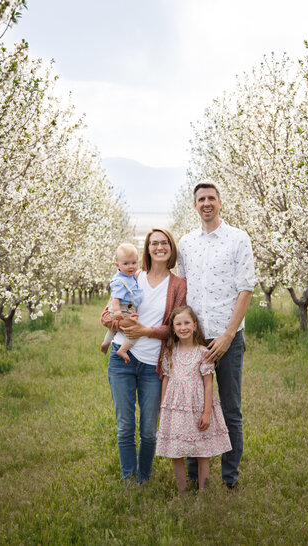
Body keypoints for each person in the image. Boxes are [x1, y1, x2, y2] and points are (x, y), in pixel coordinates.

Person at [178, 182, 255, 489]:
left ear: (220, 203)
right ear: (195, 206)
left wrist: (227, 335)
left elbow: (245, 289)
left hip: (229, 338)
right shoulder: (186, 244)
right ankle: (197, 476)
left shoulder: (238, 239)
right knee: (194, 407)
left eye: (211, 198)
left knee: (231, 409)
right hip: (194, 341)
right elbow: (180, 289)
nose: (207, 203)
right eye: (201, 199)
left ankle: (230, 478)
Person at [101, 228, 186, 484]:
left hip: (153, 366)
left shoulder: (178, 286)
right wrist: (125, 326)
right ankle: (129, 479)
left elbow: (175, 329)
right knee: (126, 426)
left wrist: (145, 330)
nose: (159, 247)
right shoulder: (131, 276)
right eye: (154, 243)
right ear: (147, 249)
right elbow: (105, 316)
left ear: (171, 248)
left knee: (149, 431)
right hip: (121, 359)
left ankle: (144, 479)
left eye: (164, 243)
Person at [156, 306, 231, 493]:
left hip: (197, 408)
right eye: (178, 324)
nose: (183, 327)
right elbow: (166, 378)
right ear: (173, 328)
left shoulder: (203, 353)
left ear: (195, 326)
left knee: (201, 450)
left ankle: (203, 489)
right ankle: (182, 489)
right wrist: (163, 407)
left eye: (187, 323)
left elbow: (208, 384)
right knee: (176, 450)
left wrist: (207, 412)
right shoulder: (170, 352)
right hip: (175, 409)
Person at [100, 243, 143, 361]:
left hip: (122, 308)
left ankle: (106, 342)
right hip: (122, 308)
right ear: (117, 265)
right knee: (134, 329)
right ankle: (122, 350)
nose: (131, 267)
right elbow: (116, 298)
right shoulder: (120, 281)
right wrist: (118, 311)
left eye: (134, 263)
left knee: (113, 329)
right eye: (126, 264)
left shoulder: (129, 276)